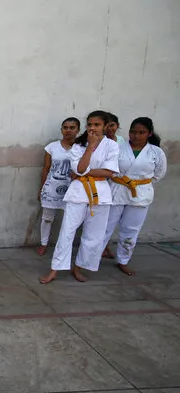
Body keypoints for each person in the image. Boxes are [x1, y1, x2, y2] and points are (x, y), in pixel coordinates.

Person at [40, 111, 119, 284]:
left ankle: (78, 267)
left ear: (105, 126)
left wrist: (84, 172)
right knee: (66, 232)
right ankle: (55, 269)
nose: (92, 128)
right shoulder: (78, 145)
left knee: (93, 235)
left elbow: (109, 172)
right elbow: (79, 169)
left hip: (100, 194)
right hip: (77, 193)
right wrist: (90, 147)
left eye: (97, 125)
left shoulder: (112, 146)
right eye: (90, 124)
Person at [102, 117, 167, 275]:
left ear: (149, 133)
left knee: (131, 230)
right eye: (133, 132)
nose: (136, 136)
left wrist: (139, 183)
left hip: (140, 193)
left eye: (141, 132)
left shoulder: (156, 152)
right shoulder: (118, 148)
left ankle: (123, 260)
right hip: (117, 189)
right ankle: (91, 258)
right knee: (105, 226)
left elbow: (159, 173)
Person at [36, 117, 80, 256]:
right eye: (65, 127)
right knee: (47, 218)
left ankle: (64, 246)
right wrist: (42, 188)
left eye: (72, 128)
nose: (68, 130)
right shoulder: (52, 147)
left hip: (73, 188)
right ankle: (44, 243)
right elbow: (46, 168)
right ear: (61, 130)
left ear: (78, 130)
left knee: (70, 219)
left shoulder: (82, 148)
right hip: (52, 187)